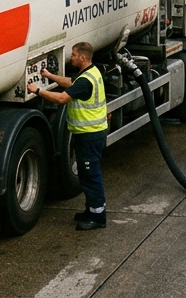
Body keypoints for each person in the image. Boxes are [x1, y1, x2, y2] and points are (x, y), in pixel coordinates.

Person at [28, 42, 109, 230]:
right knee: (87, 174)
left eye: (73, 55)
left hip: (90, 135)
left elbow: (62, 98)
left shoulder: (86, 81)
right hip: (89, 134)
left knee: (91, 176)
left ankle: (98, 217)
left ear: (82, 57)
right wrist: (49, 76)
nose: (71, 58)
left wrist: (37, 90)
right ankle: (91, 210)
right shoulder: (90, 72)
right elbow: (70, 83)